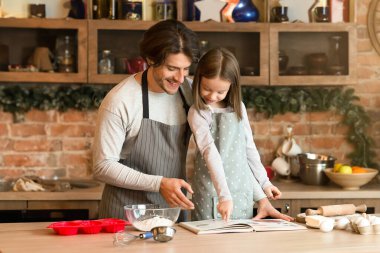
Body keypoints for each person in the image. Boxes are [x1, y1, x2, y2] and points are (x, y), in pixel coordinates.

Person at [92, 20, 292, 222]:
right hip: (127, 215)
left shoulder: (190, 92)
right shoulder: (121, 100)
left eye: (186, 69)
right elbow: (103, 166)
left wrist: (261, 198)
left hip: (173, 212)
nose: (180, 78)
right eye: (172, 68)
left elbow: (231, 154)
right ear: (151, 59)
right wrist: (159, 183)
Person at [188, 47, 283, 221]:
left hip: (241, 190)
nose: (212, 96)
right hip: (212, 192)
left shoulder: (238, 107)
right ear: (198, 79)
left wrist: (264, 182)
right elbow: (210, 153)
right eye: (207, 88)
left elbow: (248, 149)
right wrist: (224, 196)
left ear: (232, 86)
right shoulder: (198, 112)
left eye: (220, 91)